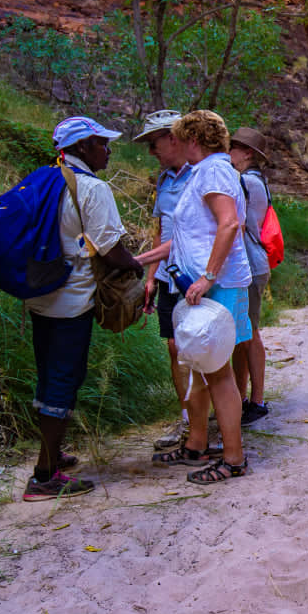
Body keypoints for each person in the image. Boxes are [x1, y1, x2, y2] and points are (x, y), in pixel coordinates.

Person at [21, 116, 143, 501]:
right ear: (83, 148)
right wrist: (138, 267)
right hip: (72, 300)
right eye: (102, 144)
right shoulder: (91, 188)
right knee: (64, 380)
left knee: (48, 376)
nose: (107, 150)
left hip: (40, 296)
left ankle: (53, 454)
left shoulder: (43, 180)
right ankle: (44, 477)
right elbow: (110, 247)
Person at [137, 110, 252, 484]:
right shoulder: (206, 172)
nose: (174, 145)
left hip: (218, 285)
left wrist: (207, 277)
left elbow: (229, 223)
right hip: (204, 283)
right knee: (206, 370)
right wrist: (139, 261)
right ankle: (202, 445)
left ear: (193, 140)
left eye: (180, 138)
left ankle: (233, 458)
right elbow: (186, 237)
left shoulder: (215, 171)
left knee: (219, 373)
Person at [133, 110, 193, 451]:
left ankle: (204, 420)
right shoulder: (164, 180)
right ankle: (186, 419)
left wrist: (137, 261)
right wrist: (151, 277)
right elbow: (161, 230)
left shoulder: (200, 175)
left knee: (197, 346)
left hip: (193, 274)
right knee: (174, 347)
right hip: (168, 275)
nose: (150, 152)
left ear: (173, 138)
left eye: (153, 143)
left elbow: (186, 235)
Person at [228, 126, 273, 426]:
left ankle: (256, 401)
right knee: (242, 335)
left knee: (250, 333)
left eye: (234, 146)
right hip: (254, 263)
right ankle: (241, 397)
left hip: (251, 264)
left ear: (248, 153)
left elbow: (239, 225)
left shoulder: (246, 181)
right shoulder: (255, 181)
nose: (228, 151)